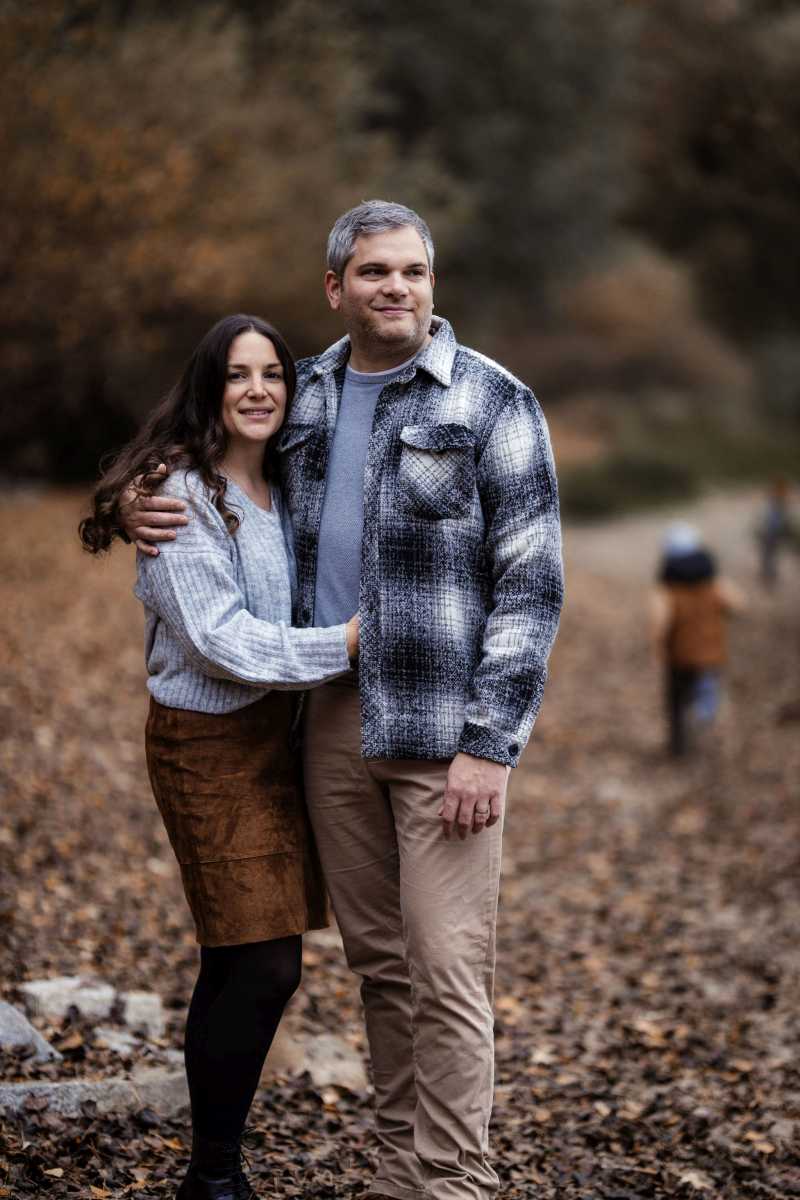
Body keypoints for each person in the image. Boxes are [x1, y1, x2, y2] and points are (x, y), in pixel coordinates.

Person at [119, 201, 564, 1200]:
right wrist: (126, 500)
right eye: (372, 272)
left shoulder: (491, 402)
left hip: (441, 731)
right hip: (325, 725)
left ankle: (451, 1183)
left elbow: (531, 588)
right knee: (380, 967)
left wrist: (491, 746)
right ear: (336, 286)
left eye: (411, 271)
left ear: (431, 283)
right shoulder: (302, 394)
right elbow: (205, 468)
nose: (393, 288)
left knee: (446, 969)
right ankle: (401, 1170)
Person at [80, 314, 359, 1200]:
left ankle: (214, 1167)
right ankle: (215, 1175)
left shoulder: (289, 481)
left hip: (279, 736)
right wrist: (348, 645)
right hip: (206, 741)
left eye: (272, 373)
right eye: (237, 374)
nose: (258, 390)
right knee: (265, 961)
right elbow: (219, 641)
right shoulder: (178, 495)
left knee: (243, 958)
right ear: (209, 386)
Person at [650, 523, 744, 758]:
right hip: (712, 656)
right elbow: (740, 605)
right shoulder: (714, 585)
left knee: (676, 703)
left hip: (680, 658)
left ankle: (679, 746)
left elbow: (659, 624)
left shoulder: (667, 590)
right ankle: (708, 728)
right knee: (709, 693)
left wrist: (658, 648)